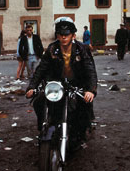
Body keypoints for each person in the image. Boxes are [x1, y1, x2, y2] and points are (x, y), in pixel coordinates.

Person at [25, 17, 97, 145]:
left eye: (66, 34)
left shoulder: (81, 49)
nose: (63, 37)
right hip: (56, 85)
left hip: (76, 84)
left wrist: (90, 90)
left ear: (73, 35)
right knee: (39, 101)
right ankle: (44, 127)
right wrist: (32, 87)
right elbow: (41, 69)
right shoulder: (52, 49)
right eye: (60, 34)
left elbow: (90, 70)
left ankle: (79, 134)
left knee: (82, 105)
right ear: (57, 36)